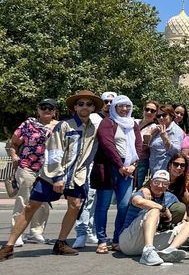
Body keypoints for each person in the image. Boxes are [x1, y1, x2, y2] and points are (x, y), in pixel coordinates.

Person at [0, 90, 103, 261]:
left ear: (93, 108)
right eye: (81, 104)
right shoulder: (64, 125)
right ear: (75, 107)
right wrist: (57, 177)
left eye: (89, 104)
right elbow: (54, 151)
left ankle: (61, 243)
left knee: (75, 206)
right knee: (31, 206)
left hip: (77, 175)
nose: (85, 106)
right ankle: (9, 246)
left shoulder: (93, 128)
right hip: (54, 174)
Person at [91, 95, 142, 253]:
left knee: (124, 206)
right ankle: (101, 240)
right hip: (109, 168)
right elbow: (108, 145)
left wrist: (133, 165)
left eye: (127, 106)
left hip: (128, 169)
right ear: (114, 107)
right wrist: (120, 165)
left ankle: (117, 239)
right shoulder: (107, 122)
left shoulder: (133, 124)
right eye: (121, 106)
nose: (124, 109)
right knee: (102, 206)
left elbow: (138, 145)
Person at [6, 98, 58, 246]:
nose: (46, 110)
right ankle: (17, 234)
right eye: (43, 107)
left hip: (48, 169)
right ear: (38, 110)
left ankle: (36, 232)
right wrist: (15, 156)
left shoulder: (60, 127)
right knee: (24, 200)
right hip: (27, 166)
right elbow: (13, 143)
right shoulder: (28, 124)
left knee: (43, 202)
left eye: (50, 107)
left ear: (55, 111)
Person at [119, 170, 189, 266]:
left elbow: (183, 210)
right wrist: (162, 208)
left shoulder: (170, 197)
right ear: (151, 182)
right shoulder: (143, 193)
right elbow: (137, 201)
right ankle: (148, 251)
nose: (160, 186)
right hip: (130, 240)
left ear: (168, 185)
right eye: (156, 182)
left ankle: (169, 251)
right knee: (154, 210)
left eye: (164, 183)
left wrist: (184, 220)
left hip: (152, 241)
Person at [74, 91, 116, 248]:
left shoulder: (116, 121)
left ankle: (91, 231)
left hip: (105, 168)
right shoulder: (93, 118)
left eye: (113, 102)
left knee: (98, 202)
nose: (109, 104)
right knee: (86, 199)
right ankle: (81, 233)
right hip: (87, 164)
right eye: (106, 101)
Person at [149, 105, 184, 173]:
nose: (161, 118)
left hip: (166, 171)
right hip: (154, 169)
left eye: (164, 115)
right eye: (158, 116)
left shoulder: (176, 130)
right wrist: (151, 133)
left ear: (171, 116)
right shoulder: (157, 129)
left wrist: (165, 138)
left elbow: (176, 152)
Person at [136, 101, 159, 190]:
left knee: (135, 187)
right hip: (127, 160)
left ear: (156, 113)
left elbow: (147, 145)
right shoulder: (134, 122)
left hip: (141, 161)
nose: (149, 112)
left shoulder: (155, 128)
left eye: (152, 111)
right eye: (147, 109)